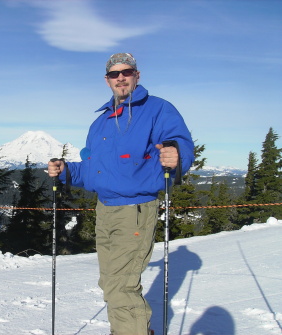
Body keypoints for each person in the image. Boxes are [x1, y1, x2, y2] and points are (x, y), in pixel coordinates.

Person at [48, 53, 194, 335]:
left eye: (126, 72)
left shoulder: (158, 109)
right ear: (107, 80)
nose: (121, 78)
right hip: (105, 209)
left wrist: (178, 155)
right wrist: (66, 170)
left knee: (121, 283)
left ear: (137, 75)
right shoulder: (101, 122)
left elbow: (180, 144)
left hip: (135, 210)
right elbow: (93, 169)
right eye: (114, 74)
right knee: (110, 281)